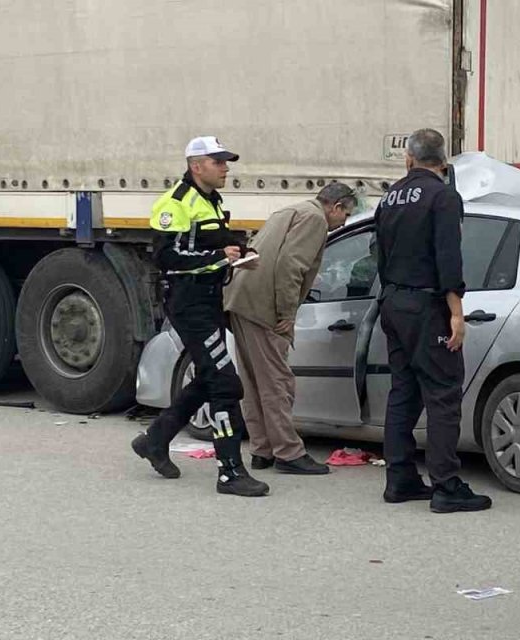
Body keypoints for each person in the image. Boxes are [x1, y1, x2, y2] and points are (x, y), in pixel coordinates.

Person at [130, 136, 270, 497]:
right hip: (189, 303)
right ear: (197, 166)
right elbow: (167, 258)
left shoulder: (211, 199)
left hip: (210, 299)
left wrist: (242, 251)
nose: (226, 168)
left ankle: (155, 440)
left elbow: (218, 240)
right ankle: (229, 473)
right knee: (225, 383)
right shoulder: (174, 203)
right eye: (219, 162)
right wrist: (221, 259)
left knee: (210, 376)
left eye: (226, 162)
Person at [375, 128, 491, 514]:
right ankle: (446, 485)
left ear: (408, 159)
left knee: (403, 392)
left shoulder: (389, 197)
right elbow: (448, 258)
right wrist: (456, 312)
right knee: (443, 395)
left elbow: (380, 254)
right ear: (443, 163)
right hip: (427, 306)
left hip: (393, 302)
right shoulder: (443, 197)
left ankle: (399, 478)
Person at [224, 183, 357, 475]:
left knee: (254, 381)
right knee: (277, 382)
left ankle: (262, 450)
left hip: (241, 299)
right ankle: (288, 452)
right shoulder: (314, 219)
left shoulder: (291, 210)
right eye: (344, 215)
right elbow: (290, 266)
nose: (343, 222)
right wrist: (287, 313)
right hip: (263, 307)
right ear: (335, 207)